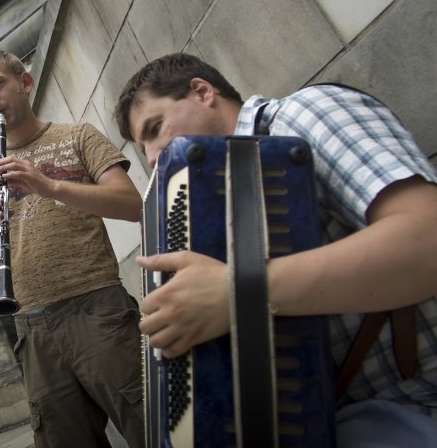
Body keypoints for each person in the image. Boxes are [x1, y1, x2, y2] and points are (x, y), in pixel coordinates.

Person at [115, 52, 437, 446]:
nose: (150, 157)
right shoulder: (206, 210)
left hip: (416, 404)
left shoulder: (302, 114)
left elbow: (428, 238)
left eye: (155, 127)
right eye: (141, 145)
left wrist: (239, 293)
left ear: (202, 91)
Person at [0, 50, 145, 447]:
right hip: (31, 325)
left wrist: (48, 186)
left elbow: (132, 206)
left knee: (149, 425)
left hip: (97, 307)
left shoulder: (77, 135)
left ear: (25, 83)